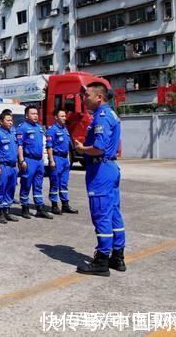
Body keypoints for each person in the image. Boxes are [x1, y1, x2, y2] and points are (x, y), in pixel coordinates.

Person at [74, 82, 125, 276]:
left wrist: (81, 149)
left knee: (101, 213)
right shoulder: (110, 114)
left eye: (87, 95)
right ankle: (117, 256)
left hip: (100, 168)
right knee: (113, 213)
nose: (84, 98)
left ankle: (102, 259)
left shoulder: (102, 117)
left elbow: (99, 147)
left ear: (99, 97)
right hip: (109, 167)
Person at [16, 106, 53, 220]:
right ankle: (25, 208)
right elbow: (20, 145)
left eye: (36, 113)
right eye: (33, 114)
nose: (36, 116)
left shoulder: (39, 128)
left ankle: (39, 208)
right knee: (26, 184)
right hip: (29, 160)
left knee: (38, 185)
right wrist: (21, 160)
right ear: (27, 116)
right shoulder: (22, 128)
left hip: (39, 160)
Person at [46, 109, 79, 215]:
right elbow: (49, 146)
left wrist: (69, 159)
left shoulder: (65, 129)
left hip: (65, 159)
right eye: (62, 116)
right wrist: (51, 160)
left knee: (64, 183)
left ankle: (65, 204)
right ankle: (54, 205)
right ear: (56, 117)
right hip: (57, 158)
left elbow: (67, 146)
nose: (64, 118)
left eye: (65, 116)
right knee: (55, 182)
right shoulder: (52, 130)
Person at [0, 109, 19, 223]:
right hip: (3, 166)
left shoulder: (12, 133)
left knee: (10, 189)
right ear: (1, 122)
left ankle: (7, 211)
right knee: (0, 188)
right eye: (8, 120)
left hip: (12, 167)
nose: (10, 122)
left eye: (11, 120)